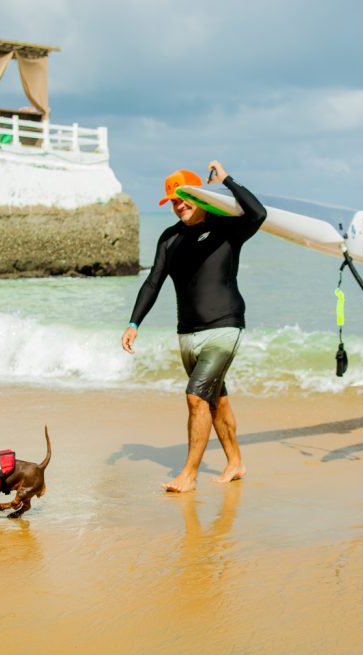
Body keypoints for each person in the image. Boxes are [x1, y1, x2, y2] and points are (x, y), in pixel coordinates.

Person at [121, 161, 266, 492]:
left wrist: (227, 181)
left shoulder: (227, 228)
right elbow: (153, 282)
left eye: (184, 198)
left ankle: (188, 474)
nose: (178, 206)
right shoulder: (170, 238)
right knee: (216, 401)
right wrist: (134, 323)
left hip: (224, 327)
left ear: (199, 197)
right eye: (173, 201)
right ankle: (235, 462)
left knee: (195, 397)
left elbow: (258, 214)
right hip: (187, 333)